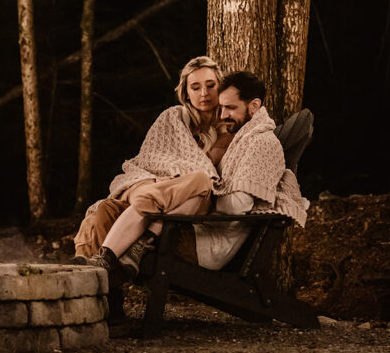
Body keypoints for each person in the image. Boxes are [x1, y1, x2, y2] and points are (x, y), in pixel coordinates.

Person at [72, 55, 231, 287]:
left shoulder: (227, 130)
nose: (204, 93)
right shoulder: (173, 117)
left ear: (220, 87)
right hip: (150, 186)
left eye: (210, 85)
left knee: (200, 180)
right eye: (195, 87)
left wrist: (179, 176)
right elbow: (151, 157)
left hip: (186, 204)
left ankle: (112, 261)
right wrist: (165, 178)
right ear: (186, 93)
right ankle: (92, 285)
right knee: (102, 212)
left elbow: (207, 175)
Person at [192, 70, 309, 270]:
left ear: (254, 106)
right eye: (221, 107)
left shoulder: (262, 143)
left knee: (139, 224)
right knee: (124, 213)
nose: (222, 115)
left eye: (230, 108)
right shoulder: (241, 139)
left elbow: (236, 206)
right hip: (199, 232)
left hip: (210, 245)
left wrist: (204, 193)